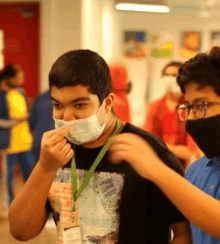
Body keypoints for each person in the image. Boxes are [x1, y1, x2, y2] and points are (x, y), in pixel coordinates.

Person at [9, 50, 191, 244]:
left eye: (79, 105)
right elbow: (21, 231)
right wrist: (44, 168)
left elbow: (183, 231)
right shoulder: (56, 152)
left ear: (107, 103)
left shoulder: (147, 151)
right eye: (58, 105)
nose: (67, 117)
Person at [109, 46, 220, 243]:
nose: (192, 117)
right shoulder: (196, 173)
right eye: (188, 107)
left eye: (202, 105)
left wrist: (157, 169)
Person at [142, 61, 199, 169]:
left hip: (184, 170)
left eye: (175, 75)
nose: (170, 79)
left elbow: (190, 153)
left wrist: (159, 145)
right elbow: (147, 144)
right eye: (167, 75)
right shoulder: (154, 107)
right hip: (158, 168)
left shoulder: (191, 109)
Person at [0, 64, 35, 207]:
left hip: (25, 142)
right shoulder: (1, 95)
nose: (21, 80)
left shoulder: (20, 91)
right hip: (9, 145)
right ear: (8, 78)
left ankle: (31, 204)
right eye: (18, 78)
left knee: (31, 176)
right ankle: (10, 207)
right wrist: (16, 121)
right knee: (8, 180)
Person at [29, 90, 54, 161]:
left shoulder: (40, 98)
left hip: (38, 141)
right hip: (57, 143)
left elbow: (31, 122)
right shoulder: (67, 99)